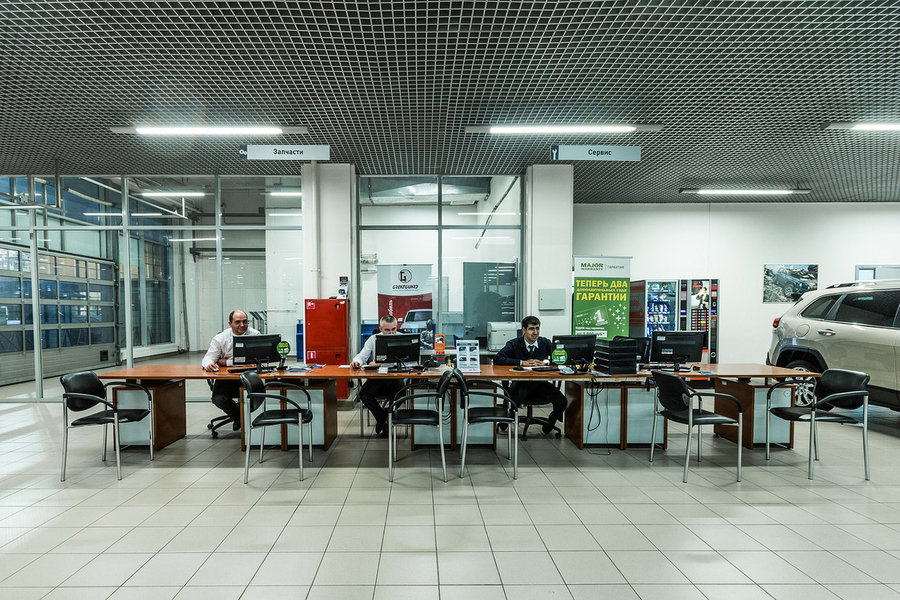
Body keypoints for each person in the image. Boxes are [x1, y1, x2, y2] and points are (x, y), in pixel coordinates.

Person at [494, 315, 568, 434]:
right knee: (513, 398)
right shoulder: (514, 344)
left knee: (562, 401)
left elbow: (559, 359)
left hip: (540, 384)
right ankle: (506, 419)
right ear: (524, 329)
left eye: (537, 328)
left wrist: (545, 362)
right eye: (532, 329)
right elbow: (498, 359)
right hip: (521, 384)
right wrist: (521, 362)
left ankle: (550, 422)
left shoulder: (545, 343)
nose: (535, 332)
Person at [202, 310, 260, 428]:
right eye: (237, 322)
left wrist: (227, 362)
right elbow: (208, 358)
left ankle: (240, 419)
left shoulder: (255, 335)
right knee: (218, 399)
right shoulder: (220, 338)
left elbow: (258, 360)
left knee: (258, 397)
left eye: (245, 321)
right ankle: (239, 417)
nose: (242, 325)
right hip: (227, 378)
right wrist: (209, 364)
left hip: (249, 376)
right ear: (230, 324)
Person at [351, 314, 403, 437]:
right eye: (387, 330)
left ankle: (384, 421)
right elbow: (362, 355)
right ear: (380, 328)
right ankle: (384, 418)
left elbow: (410, 361)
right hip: (378, 376)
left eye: (393, 329)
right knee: (364, 394)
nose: (391, 333)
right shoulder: (373, 339)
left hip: (395, 376)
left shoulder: (402, 338)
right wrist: (357, 361)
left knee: (401, 394)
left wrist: (381, 362)